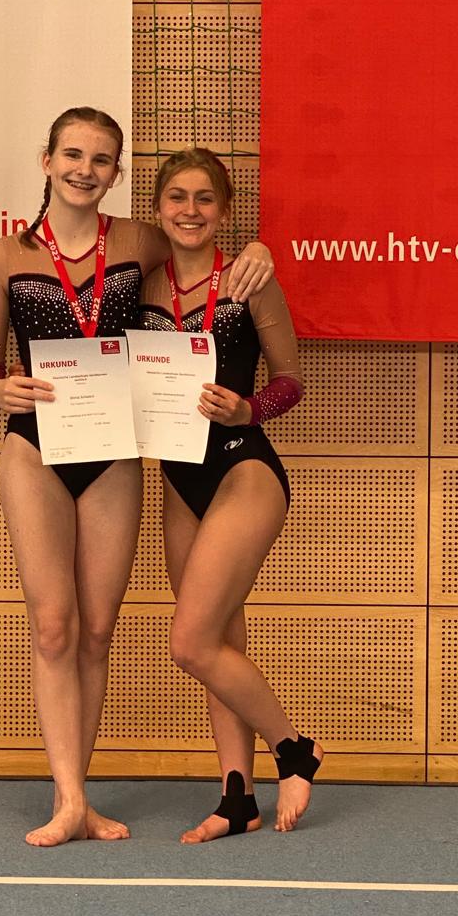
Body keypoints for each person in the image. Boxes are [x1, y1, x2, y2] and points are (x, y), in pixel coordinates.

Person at [0, 107, 274, 847]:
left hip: (112, 450)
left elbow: (205, 244)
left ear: (115, 173)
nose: (85, 169)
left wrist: (259, 246)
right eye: (73, 155)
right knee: (54, 625)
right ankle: (69, 800)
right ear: (47, 161)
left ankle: (82, 794)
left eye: (101, 159)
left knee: (99, 630)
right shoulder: (2, 256)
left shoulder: (139, 242)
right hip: (36, 446)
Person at [139, 147, 322, 843]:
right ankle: (236, 796)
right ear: (157, 207)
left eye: (205, 198)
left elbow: (291, 378)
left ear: (225, 209)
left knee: (190, 642)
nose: (190, 210)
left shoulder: (248, 278)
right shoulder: (140, 283)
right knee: (218, 639)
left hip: (244, 467)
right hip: (179, 476)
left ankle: (295, 751)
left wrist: (248, 409)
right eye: (177, 197)